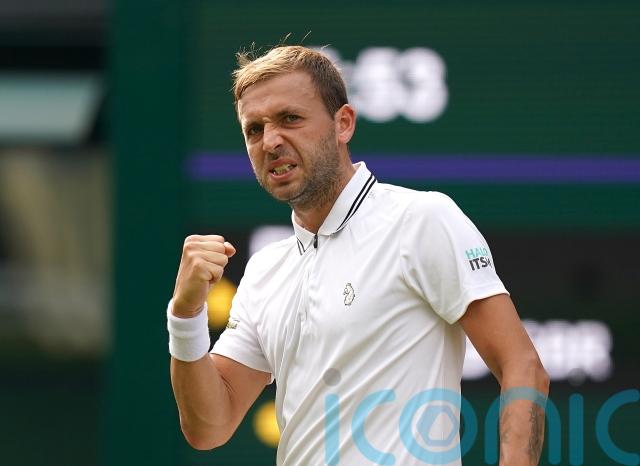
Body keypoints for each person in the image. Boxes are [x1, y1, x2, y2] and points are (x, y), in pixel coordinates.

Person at [167, 45, 549, 465]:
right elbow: (209, 427)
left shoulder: (421, 219)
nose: (270, 141)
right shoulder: (265, 269)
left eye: (290, 118)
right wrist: (186, 315)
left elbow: (522, 366)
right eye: (254, 129)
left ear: (343, 124)